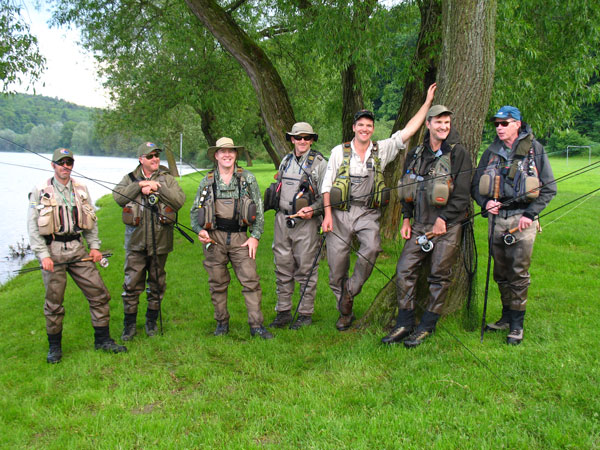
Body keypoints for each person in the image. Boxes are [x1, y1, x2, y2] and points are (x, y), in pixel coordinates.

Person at [321, 83, 437, 331]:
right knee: (335, 267)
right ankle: (345, 308)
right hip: (339, 214)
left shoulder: (381, 149)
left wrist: (427, 104)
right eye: (360, 125)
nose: (365, 129)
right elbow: (325, 186)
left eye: (369, 125)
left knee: (372, 249)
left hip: (368, 214)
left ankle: (350, 292)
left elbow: (407, 132)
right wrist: (327, 216)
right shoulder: (337, 152)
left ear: (373, 129)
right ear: (353, 128)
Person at [380, 105, 472, 347]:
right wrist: (407, 218)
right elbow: (406, 191)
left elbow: (463, 195)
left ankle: (427, 326)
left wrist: (445, 219)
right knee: (404, 270)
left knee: (439, 277)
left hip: (448, 227)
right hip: (420, 225)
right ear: (428, 124)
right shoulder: (416, 154)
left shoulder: (458, 153)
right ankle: (405, 321)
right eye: (439, 122)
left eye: (447, 123)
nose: (443, 127)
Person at [27, 148, 126, 363]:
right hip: (52, 251)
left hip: (78, 249)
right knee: (54, 303)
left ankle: (103, 340)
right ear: (53, 165)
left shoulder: (81, 189)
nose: (65, 166)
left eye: (69, 162)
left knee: (99, 294)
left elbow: (92, 220)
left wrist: (94, 247)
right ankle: (55, 347)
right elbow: (33, 228)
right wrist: (43, 255)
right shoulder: (39, 191)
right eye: (61, 162)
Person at [471, 106, 556, 345]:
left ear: (517, 124)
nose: (499, 127)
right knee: (501, 272)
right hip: (497, 220)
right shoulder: (490, 152)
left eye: (504, 123)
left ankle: (517, 325)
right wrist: (485, 203)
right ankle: (506, 317)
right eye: (496, 123)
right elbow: (476, 185)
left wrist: (531, 214)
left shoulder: (535, 150)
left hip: (523, 219)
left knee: (518, 272)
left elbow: (549, 188)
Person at [190, 137, 273, 339]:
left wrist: (255, 236)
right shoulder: (207, 182)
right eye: (223, 151)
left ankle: (256, 326)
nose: (227, 155)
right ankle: (221, 324)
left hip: (240, 239)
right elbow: (194, 212)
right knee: (217, 284)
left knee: (250, 282)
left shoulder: (248, 179)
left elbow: (259, 212)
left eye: (231, 151)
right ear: (216, 155)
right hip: (214, 240)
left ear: (236, 154)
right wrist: (200, 230)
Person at [113, 142, 186, 340]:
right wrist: (139, 187)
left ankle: (151, 322)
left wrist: (157, 188)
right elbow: (118, 198)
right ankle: (129, 326)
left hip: (160, 242)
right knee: (131, 285)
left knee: (157, 284)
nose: (155, 159)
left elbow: (179, 201)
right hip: (135, 244)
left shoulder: (167, 179)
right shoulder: (129, 179)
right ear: (141, 159)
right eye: (150, 156)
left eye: (156, 155)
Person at [267, 122, 328, 330]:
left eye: (307, 137)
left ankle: (304, 313)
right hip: (282, 220)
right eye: (298, 137)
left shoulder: (320, 163)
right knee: (282, 266)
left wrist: (314, 209)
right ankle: (283, 311)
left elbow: (325, 196)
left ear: (311, 140)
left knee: (306, 267)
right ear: (292, 139)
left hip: (307, 224)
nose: (302, 141)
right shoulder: (285, 160)